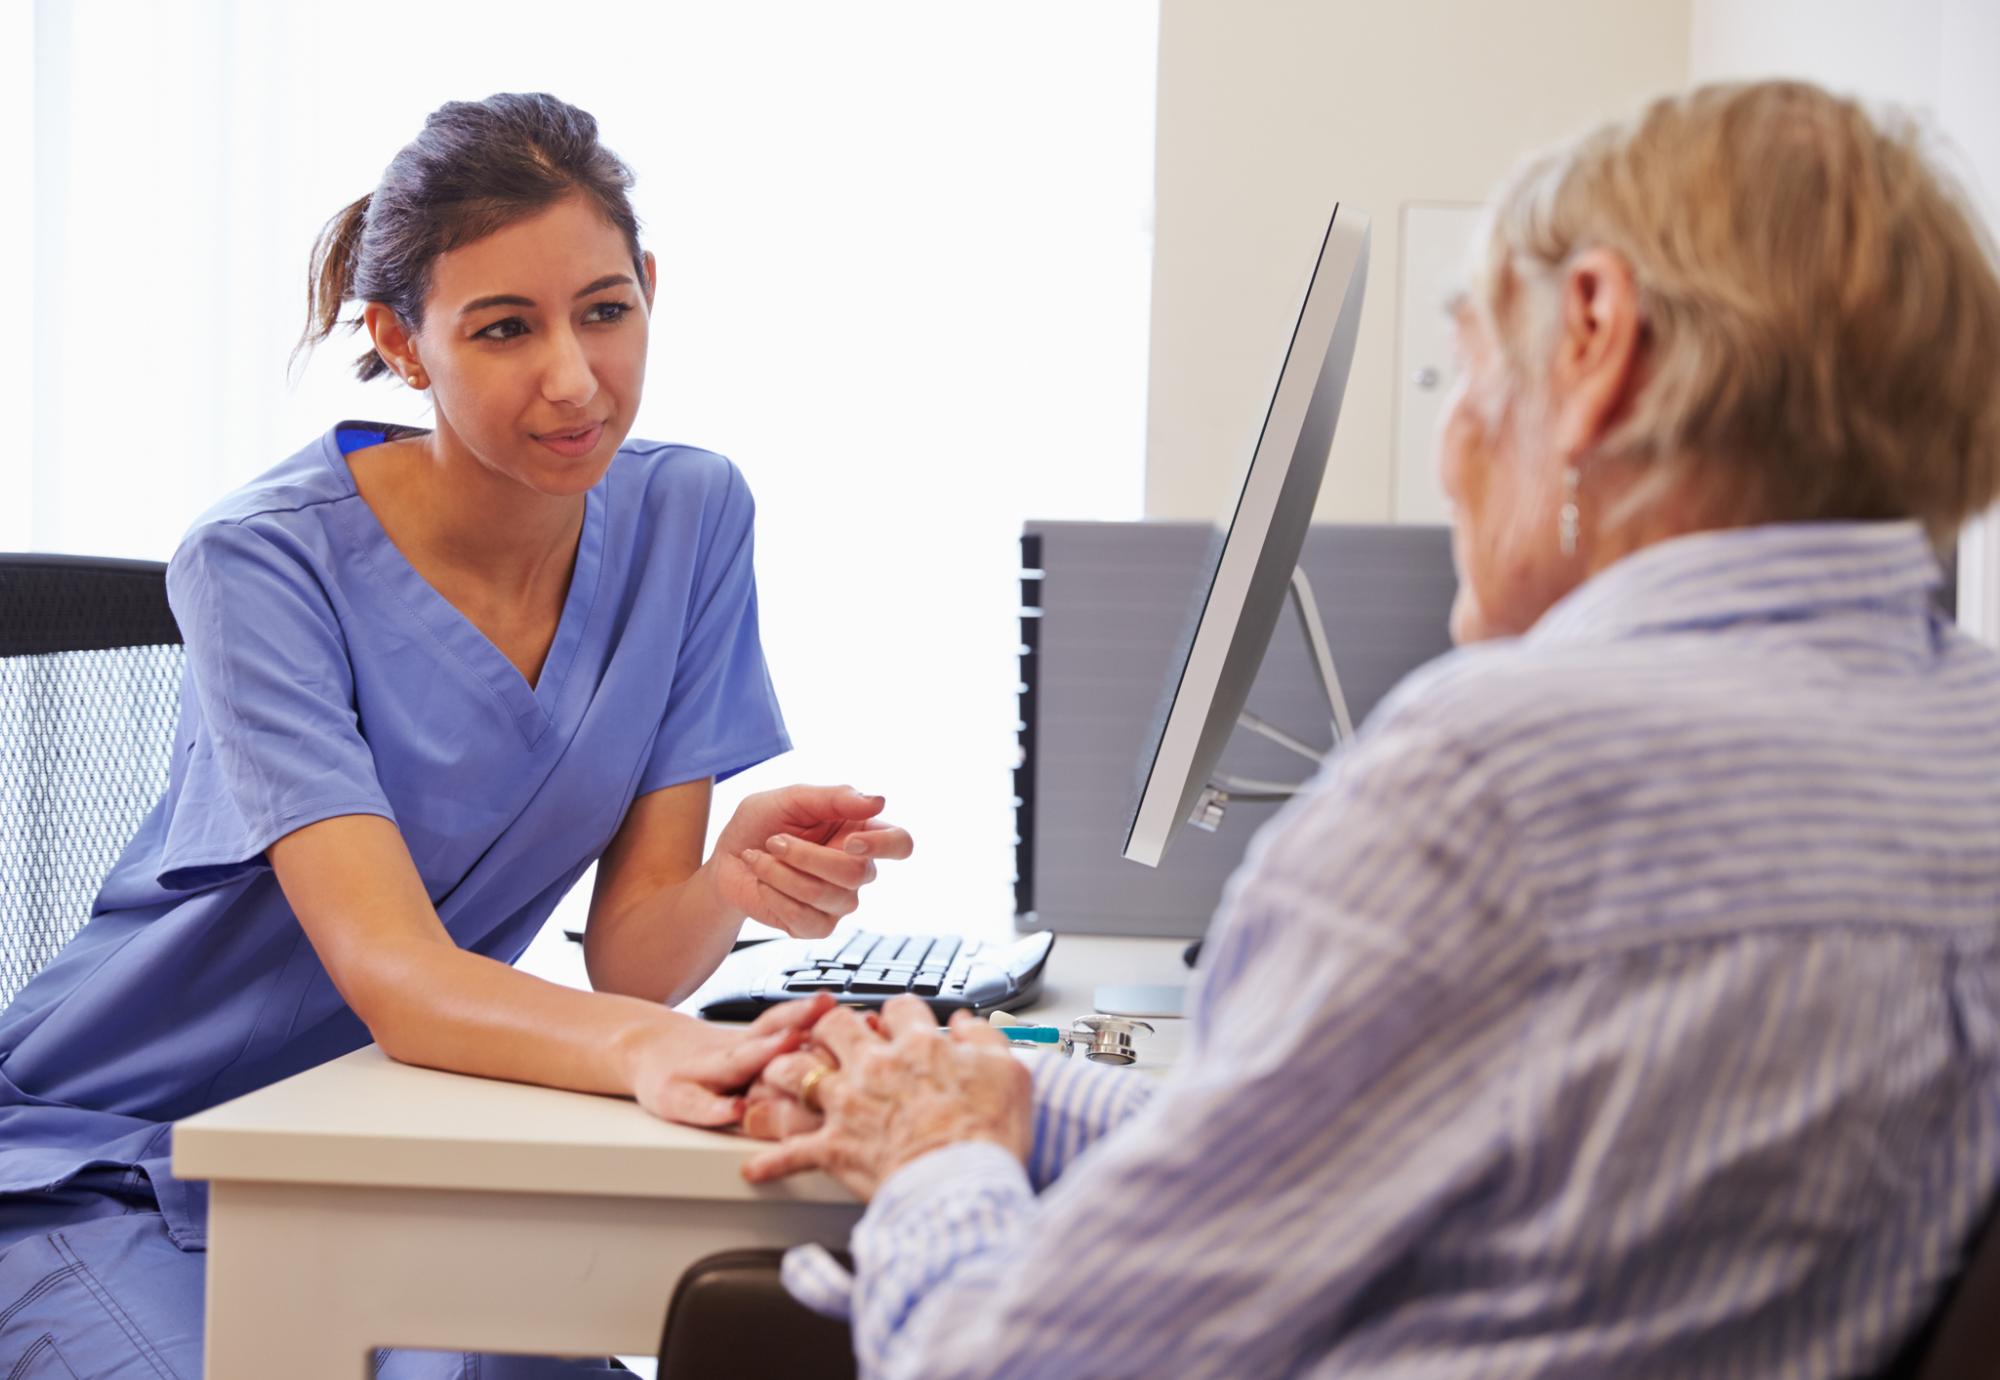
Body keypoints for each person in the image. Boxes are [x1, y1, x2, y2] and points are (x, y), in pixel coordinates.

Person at [738, 80, 2000, 1379]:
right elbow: (1329, 1149)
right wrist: (1001, 1089)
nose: (1453, 439)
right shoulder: (1971, 748)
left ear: (1596, 335)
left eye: (1467, 363)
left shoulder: (1492, 788)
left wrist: (939, 1166)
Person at [0, 92, 890, 1377]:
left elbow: (636, 964)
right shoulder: (260, 564)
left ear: (649, 285)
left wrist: (729, 882)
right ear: (401, 344)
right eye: (503, 330)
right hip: (111, 1153)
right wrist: (670, 1056)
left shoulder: (688, 515)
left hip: (395, 1142)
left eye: (603, 309)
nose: (575, 380)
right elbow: (400, 975)